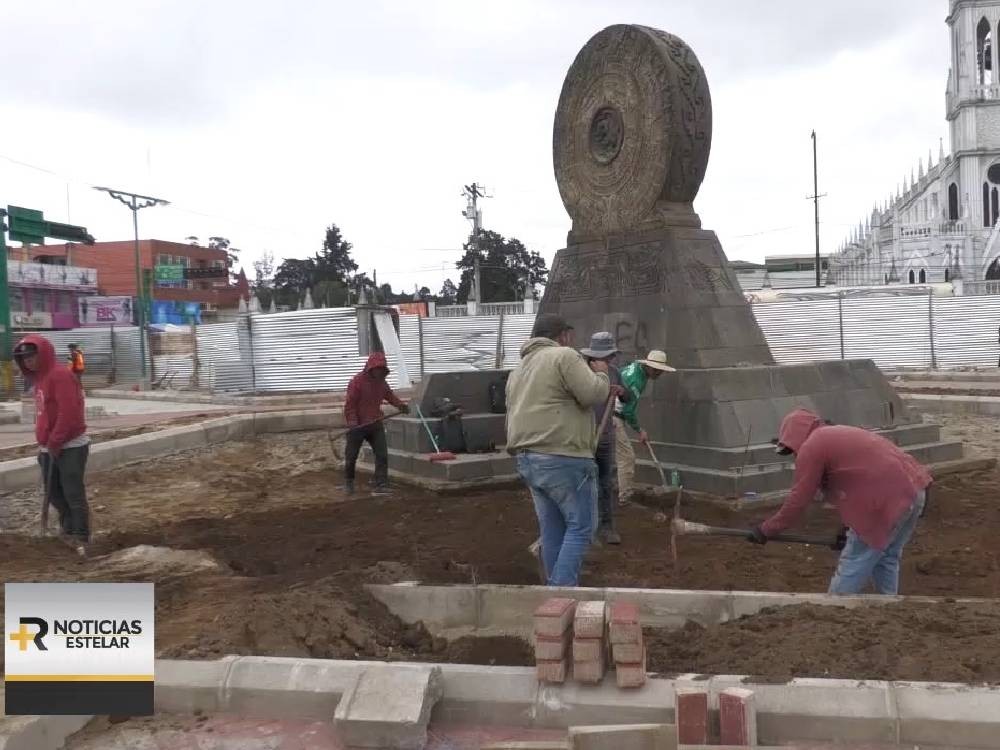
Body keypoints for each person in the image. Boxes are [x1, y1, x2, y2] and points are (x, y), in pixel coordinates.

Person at [749, 408, 932, 596]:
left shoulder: (812, 446)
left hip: (885, 500)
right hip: (914, 490)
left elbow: (799, 499)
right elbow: (859, 483)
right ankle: (888, 606)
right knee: (887, 557)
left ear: (794, 437)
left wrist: (766, 529)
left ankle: (834, 608)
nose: (795, 455)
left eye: (791, 449)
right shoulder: (837, 434)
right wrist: (847, 528)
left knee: (854, 560)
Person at [506, 313, 610, 587]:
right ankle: (560, 593)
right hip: (563, 455)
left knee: (552, 529)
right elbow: (593, 395)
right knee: (581, 528)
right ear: (563, 335)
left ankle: (553, 601)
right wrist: (601, 374)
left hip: (529, 459)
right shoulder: (564, 356)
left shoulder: (519, 369)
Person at [15, 336, 90, 555]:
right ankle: (67, 529)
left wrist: (56, 440)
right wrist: (45, 442)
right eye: (24, 358)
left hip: (70, 446)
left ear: (43, 354)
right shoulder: (39, 378)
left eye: (32, 356)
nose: (28, 361)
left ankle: (81, 536)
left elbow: (69, 413)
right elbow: (45, 413)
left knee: (72, 492)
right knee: (54, 493)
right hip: (49, 446)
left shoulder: (60, 375)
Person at [580, 331, 631, 545]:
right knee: (583, 483)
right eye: (606, 356)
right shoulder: (580, 373)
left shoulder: (614, 372)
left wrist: (621, 391)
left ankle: (607, 527)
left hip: (606, 437)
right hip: (584, 438)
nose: (609, 360)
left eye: (610, 356)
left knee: (606, 483)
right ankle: (583, 529)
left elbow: (628, 397)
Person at [614, 350, 675, 505]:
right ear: (648, 367)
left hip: (608, 413)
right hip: (612, 416)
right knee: (627, 457)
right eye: (656, 370)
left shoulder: (633, 368)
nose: (658, 373)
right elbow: (628, 410)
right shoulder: (637, 380)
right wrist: (639, 430)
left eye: (660, 371)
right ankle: (624, 496)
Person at [343, 352, 409, 495]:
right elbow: (350, 405)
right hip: (358, 425)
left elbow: (389, 395)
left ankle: (381, 483)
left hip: (375, 423)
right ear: (370, 368)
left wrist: (400, 405)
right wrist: (353, 422)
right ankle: (349, 482)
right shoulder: (357, 382)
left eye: (381, 369)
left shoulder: (382, 383)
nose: (379, 372)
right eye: (377, 369)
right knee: (351, 456)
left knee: (382, 454)